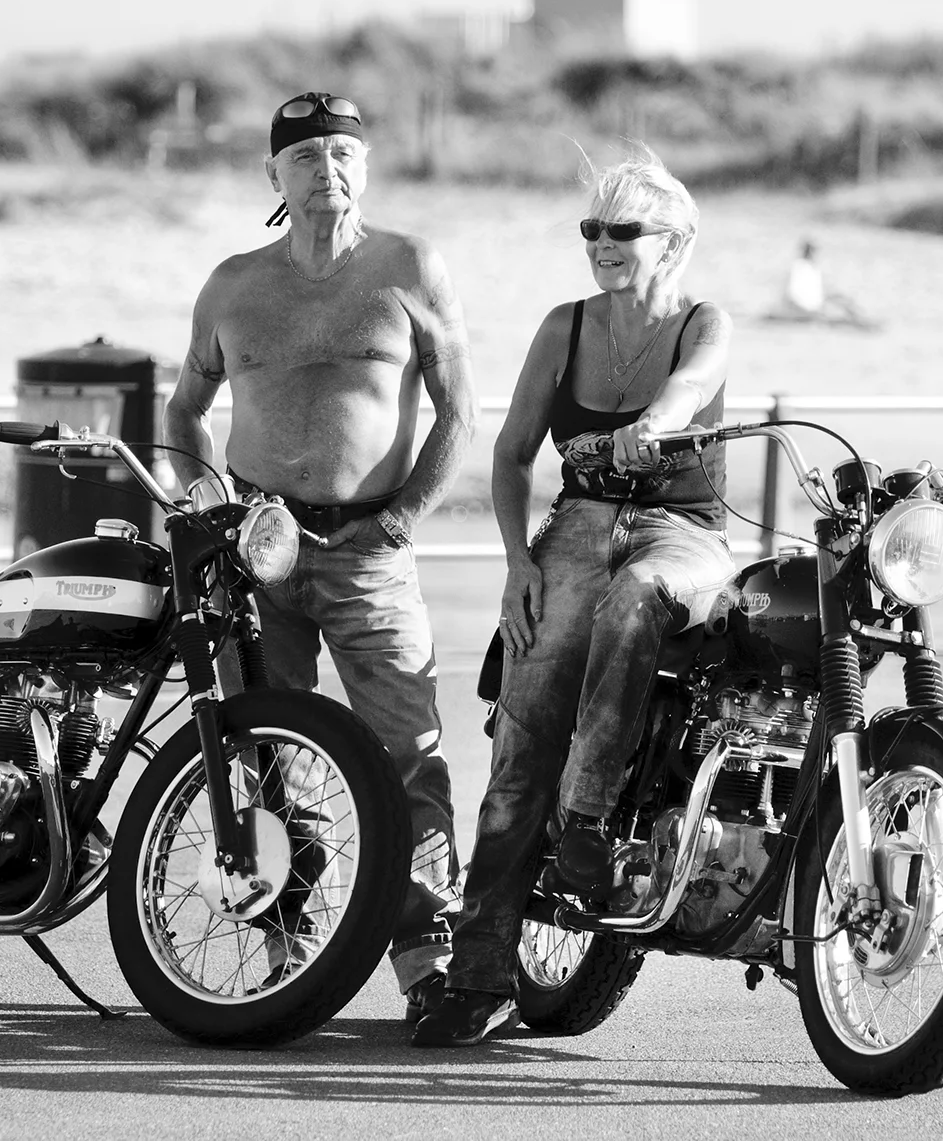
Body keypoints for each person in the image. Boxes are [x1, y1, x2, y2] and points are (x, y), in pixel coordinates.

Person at [162, 91, 478, 1021]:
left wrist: (406, 514)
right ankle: (287, 948)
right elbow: (183, 407)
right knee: (263, 756)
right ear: (273, 175)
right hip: (257, 551)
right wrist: (207, 496)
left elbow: (461, 411)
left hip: (370, 548)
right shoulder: (232, 285)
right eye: (304, 156)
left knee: (409, 756)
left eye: (344, 151)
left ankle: (429, 967)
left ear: (366, 167)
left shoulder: (410, 266)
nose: (326, 168)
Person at [413, 148, 734, 1048]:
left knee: (642, 596)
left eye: (621, 230)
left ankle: (588, 819)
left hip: (684, 533)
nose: (600, 244)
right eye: (590, 229)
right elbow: (512, 454)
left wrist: (653, 429)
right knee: (519, 750)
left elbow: (691, 387)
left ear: (673, 242)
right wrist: (520, 564)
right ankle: (475, 979)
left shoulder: (703, 320)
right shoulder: (565, 326)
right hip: (577, 527)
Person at [782, 239, 872, 327]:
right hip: (806, 307)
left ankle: (859, 318)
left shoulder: (798, 266)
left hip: (801, 306)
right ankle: (861, 319)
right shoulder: (807, 267)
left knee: (839, 299)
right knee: (841, 300)